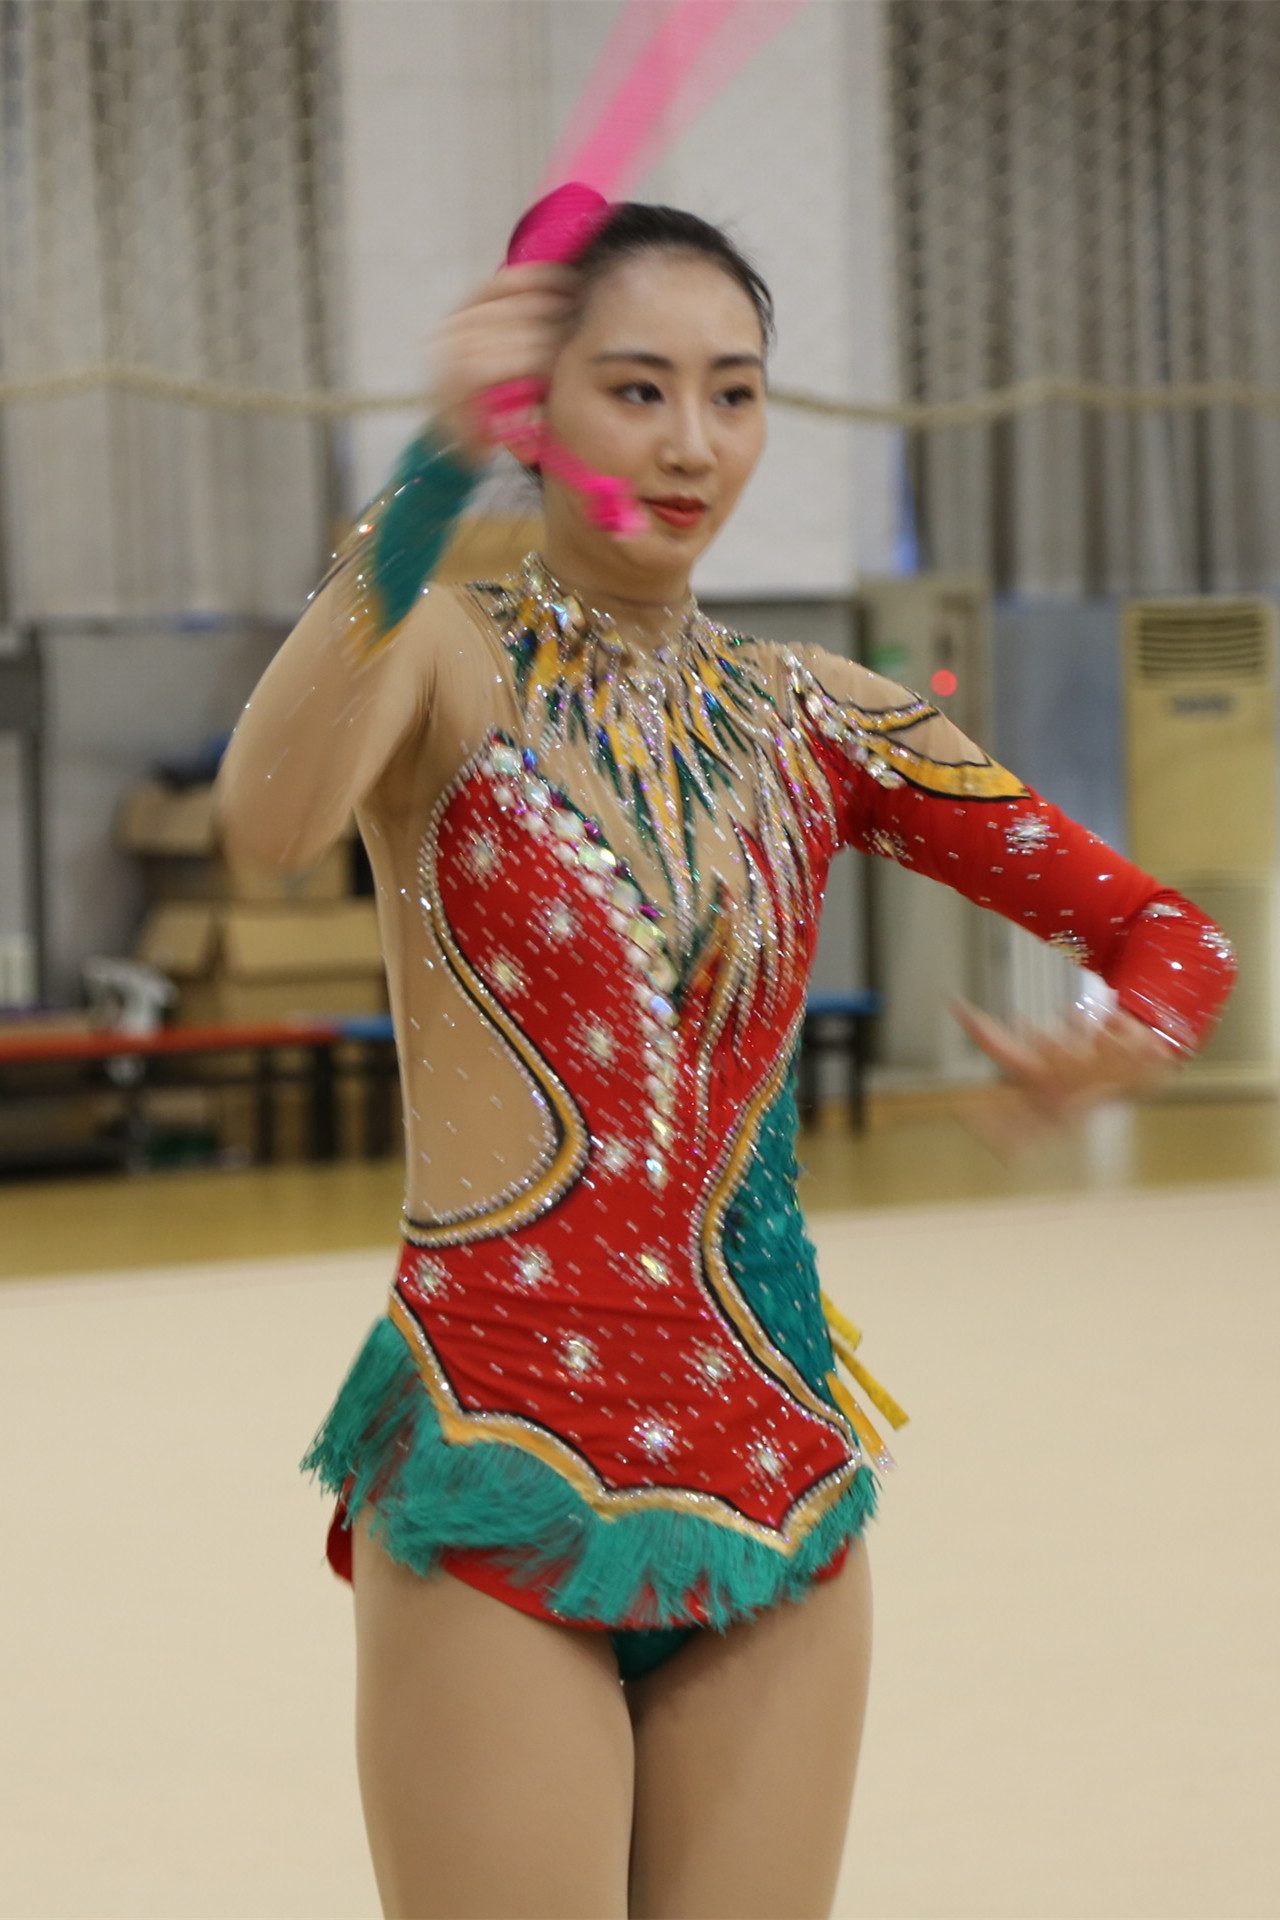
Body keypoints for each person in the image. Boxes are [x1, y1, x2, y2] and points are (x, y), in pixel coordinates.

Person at [215, 198, 1235, 1920]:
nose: (692, 443)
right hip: (494, 1452)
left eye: (735, 393)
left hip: (777, 1477)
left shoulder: (824, 715)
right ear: (536, 409)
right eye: (637, 390)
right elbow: (267, 820)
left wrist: (1111, 1043)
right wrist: (430, 470)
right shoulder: (445, 657)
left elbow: (1169, 939)